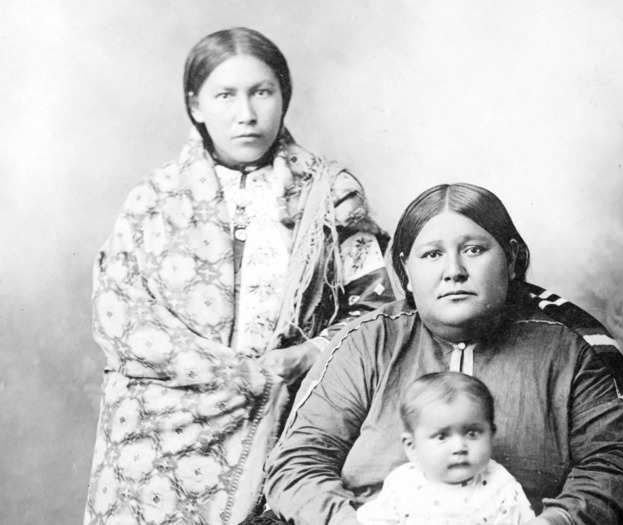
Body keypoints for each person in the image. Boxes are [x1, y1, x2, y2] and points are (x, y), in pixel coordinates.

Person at [83, 27, 394, 525]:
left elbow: (378, 309)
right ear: (196, 106)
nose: (246, 114)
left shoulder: (330, 194)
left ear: (283, 97)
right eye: (225, 95)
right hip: (157, 437)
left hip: (286, 424)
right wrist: (244, 376)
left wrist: (312, 353)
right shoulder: (154, 200)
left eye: (262, 92)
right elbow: (120, 317)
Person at [264, 183, 623, 525]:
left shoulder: (564, 350)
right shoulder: (366, 343)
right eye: (432, 254)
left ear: (513, 261)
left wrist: (555, 523)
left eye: (475, 249)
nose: (454, 270)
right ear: (406, 272)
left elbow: (617, 468)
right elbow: (299, 462)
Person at [356, 372, 535, 525]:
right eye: (442, 436)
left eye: (472, 433)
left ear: (491, 435)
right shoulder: (402, 484)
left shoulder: (500, 485)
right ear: (412, 446)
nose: (459, 447)